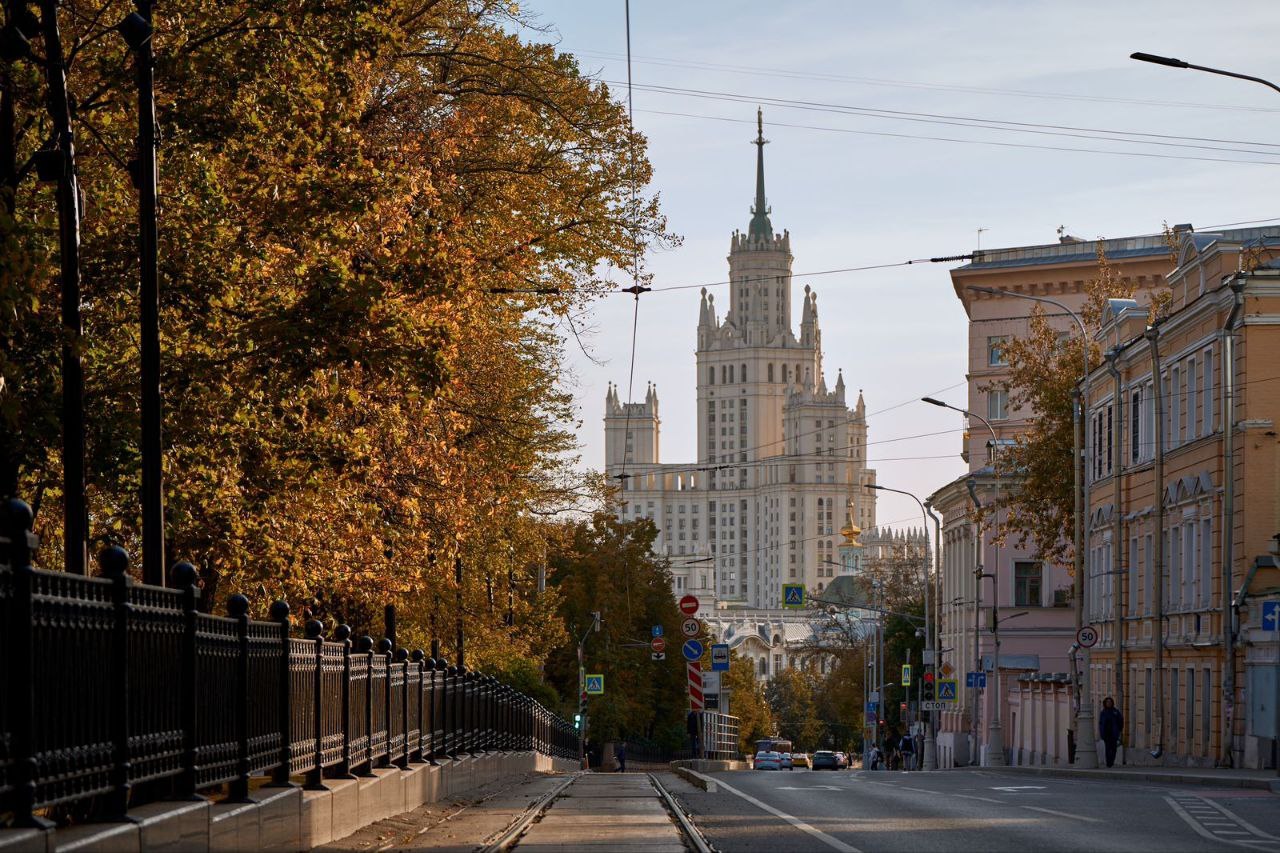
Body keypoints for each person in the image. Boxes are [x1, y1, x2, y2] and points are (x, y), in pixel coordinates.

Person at [1099, 696, 1124, 768]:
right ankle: (1108, 762)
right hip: (1106, 733)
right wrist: (1101, 732)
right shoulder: (1103, 712)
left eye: (1110, 702)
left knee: (1113, 748)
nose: (1109, 703)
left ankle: (1112, 760)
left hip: (1114, 733)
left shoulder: (1115, 712)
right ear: (1105, 703)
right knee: (1107, 748)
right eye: (1107, 702)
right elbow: (1101, 723)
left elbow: (1120, 720)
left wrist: (1119, 729)